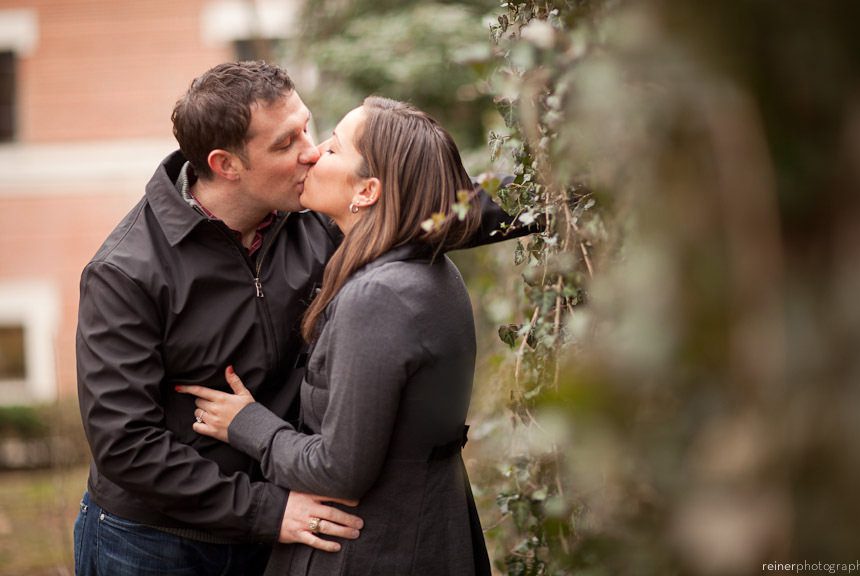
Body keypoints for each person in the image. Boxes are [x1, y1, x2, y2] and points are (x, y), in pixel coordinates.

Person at [75, 62, 527, 575]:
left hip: (284, 525)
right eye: (287, 142)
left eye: (309, 128)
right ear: (227, 164)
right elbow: (126, 445)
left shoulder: (316, 216)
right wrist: (269, 510)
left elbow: (424, 206)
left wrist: (555, 196)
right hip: (158, 544)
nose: (311, 151)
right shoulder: (126, 272)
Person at [178, 96, 495, 575]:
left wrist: (246, 423)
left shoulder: (380, 296)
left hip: (371, 551)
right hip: (427, 534)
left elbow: (337, 471)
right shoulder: (433, 270)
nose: (313, 152)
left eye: (333, 147)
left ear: (366, 191)